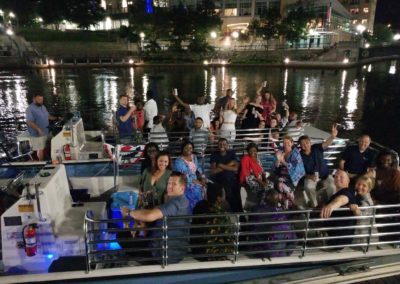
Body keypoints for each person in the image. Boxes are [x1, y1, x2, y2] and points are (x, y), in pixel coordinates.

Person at [121, 171, 191, 264]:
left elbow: (149, 215)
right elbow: (155, 210)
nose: (170, 186)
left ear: (182, 188)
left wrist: (129, 212)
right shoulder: (178, 200)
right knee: (136, 238)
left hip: (161, 254)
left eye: (174, 184)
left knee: (122, 236)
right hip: (164, 247)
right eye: (169, 183)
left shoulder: (177, 203)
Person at [298, 124, 338, 208]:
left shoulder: (316, 147)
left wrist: (332, 136)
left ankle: (331, 205)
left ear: (310, 142)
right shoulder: (299, 156)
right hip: (311, 177)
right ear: (300, 146)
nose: (305, 145)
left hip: (325, 175)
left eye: (307, 142)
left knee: (332, 187)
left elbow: (326, 144)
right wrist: (309, 176)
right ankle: (314, 205)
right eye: (303, 144)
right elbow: (299, 172)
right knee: (308, 187)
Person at [320, 169, 357, 247]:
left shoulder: (348, 191)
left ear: (348, 180)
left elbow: (343, 199)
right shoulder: (334, 195)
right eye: (336, 176)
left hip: (339, 241)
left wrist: (331, 206)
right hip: (331, 238)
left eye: (341, 177)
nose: (337, 178)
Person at [210, 138, 243, 212]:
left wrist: (221, 165)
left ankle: (240, 215)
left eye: (224, 144)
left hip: (233, 179)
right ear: (218, 146)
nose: (222, 145)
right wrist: (230, 164)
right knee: (229, 193)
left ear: (227, 145)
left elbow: (236, 169)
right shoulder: (214, 155)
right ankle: (234, 213)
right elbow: (213, 171)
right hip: (221, 180)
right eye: (220, 144)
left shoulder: (231, 153)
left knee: (238, 194)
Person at [273, 135, 305, 209]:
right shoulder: (280, 152)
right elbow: (276, 166)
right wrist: (278, 161)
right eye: (284, 143)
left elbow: (296, 168)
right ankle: (289, 204)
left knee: (280, 185)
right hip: (282, 175)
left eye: (288, 142)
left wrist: (283, 161)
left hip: (292, 177)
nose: (286, 144)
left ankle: (290, 203)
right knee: (278, 183)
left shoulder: (295, 153)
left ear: (292, 143)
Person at [26, 93, 60, 161]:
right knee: (40, 147)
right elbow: (29, 122)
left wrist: (57, 118)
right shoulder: (30, 109)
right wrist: (38, 129)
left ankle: (52, 157)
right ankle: (41, 163)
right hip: (37, 134)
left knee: (54, 139)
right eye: (39, 99)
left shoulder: (42, 106)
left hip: (46, 131)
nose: (41, 101)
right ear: (34, 99)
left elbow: (48, 116)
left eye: (42, 99)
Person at [173, 141, 206, 211]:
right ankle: (192, 212)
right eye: (186, 148)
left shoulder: (194, 157)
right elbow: (182, 177)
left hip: (196, 180)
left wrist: (201, 178)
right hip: (185, 182)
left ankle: (202, 211)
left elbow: (198, 169)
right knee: (195, 191)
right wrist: (195, 181)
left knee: (209, 186)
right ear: (182, 149)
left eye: (190, 148)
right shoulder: (178, 161)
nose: (188, 150)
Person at [349, 175, 377, 246]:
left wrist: (355, 210)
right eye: (358, 184)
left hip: (365, 239)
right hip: (362, 235)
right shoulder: (359, 197)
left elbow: (362, 218)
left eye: (364, 185)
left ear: (369, 189)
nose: (360, 187)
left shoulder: (366, 202)